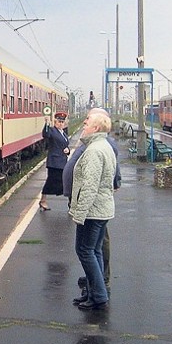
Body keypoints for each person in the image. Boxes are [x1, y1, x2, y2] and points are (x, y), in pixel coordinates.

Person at [63, 107, 121, 298]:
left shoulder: (95, 150)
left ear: (96, 127)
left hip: (92, 210)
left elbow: (90, 186)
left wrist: (78, 214)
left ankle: (99, 294)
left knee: (86, 251)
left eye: (87, 122)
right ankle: (96, 292)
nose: (83, 124)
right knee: (92, 251)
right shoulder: (98, 145)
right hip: (97, 208)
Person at [39, 112, 70, 211]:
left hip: (62, 162)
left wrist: (68, 150)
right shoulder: (52, 131)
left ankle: (71, 202)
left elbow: (65, 146)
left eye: (62, 122)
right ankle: (43, 200)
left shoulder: (63, 133)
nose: (61, 123)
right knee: (52, 181)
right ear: (55, 122)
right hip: (54, 163)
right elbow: (45, 134)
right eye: (59, 121)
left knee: (65, 181)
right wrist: (47, 123)